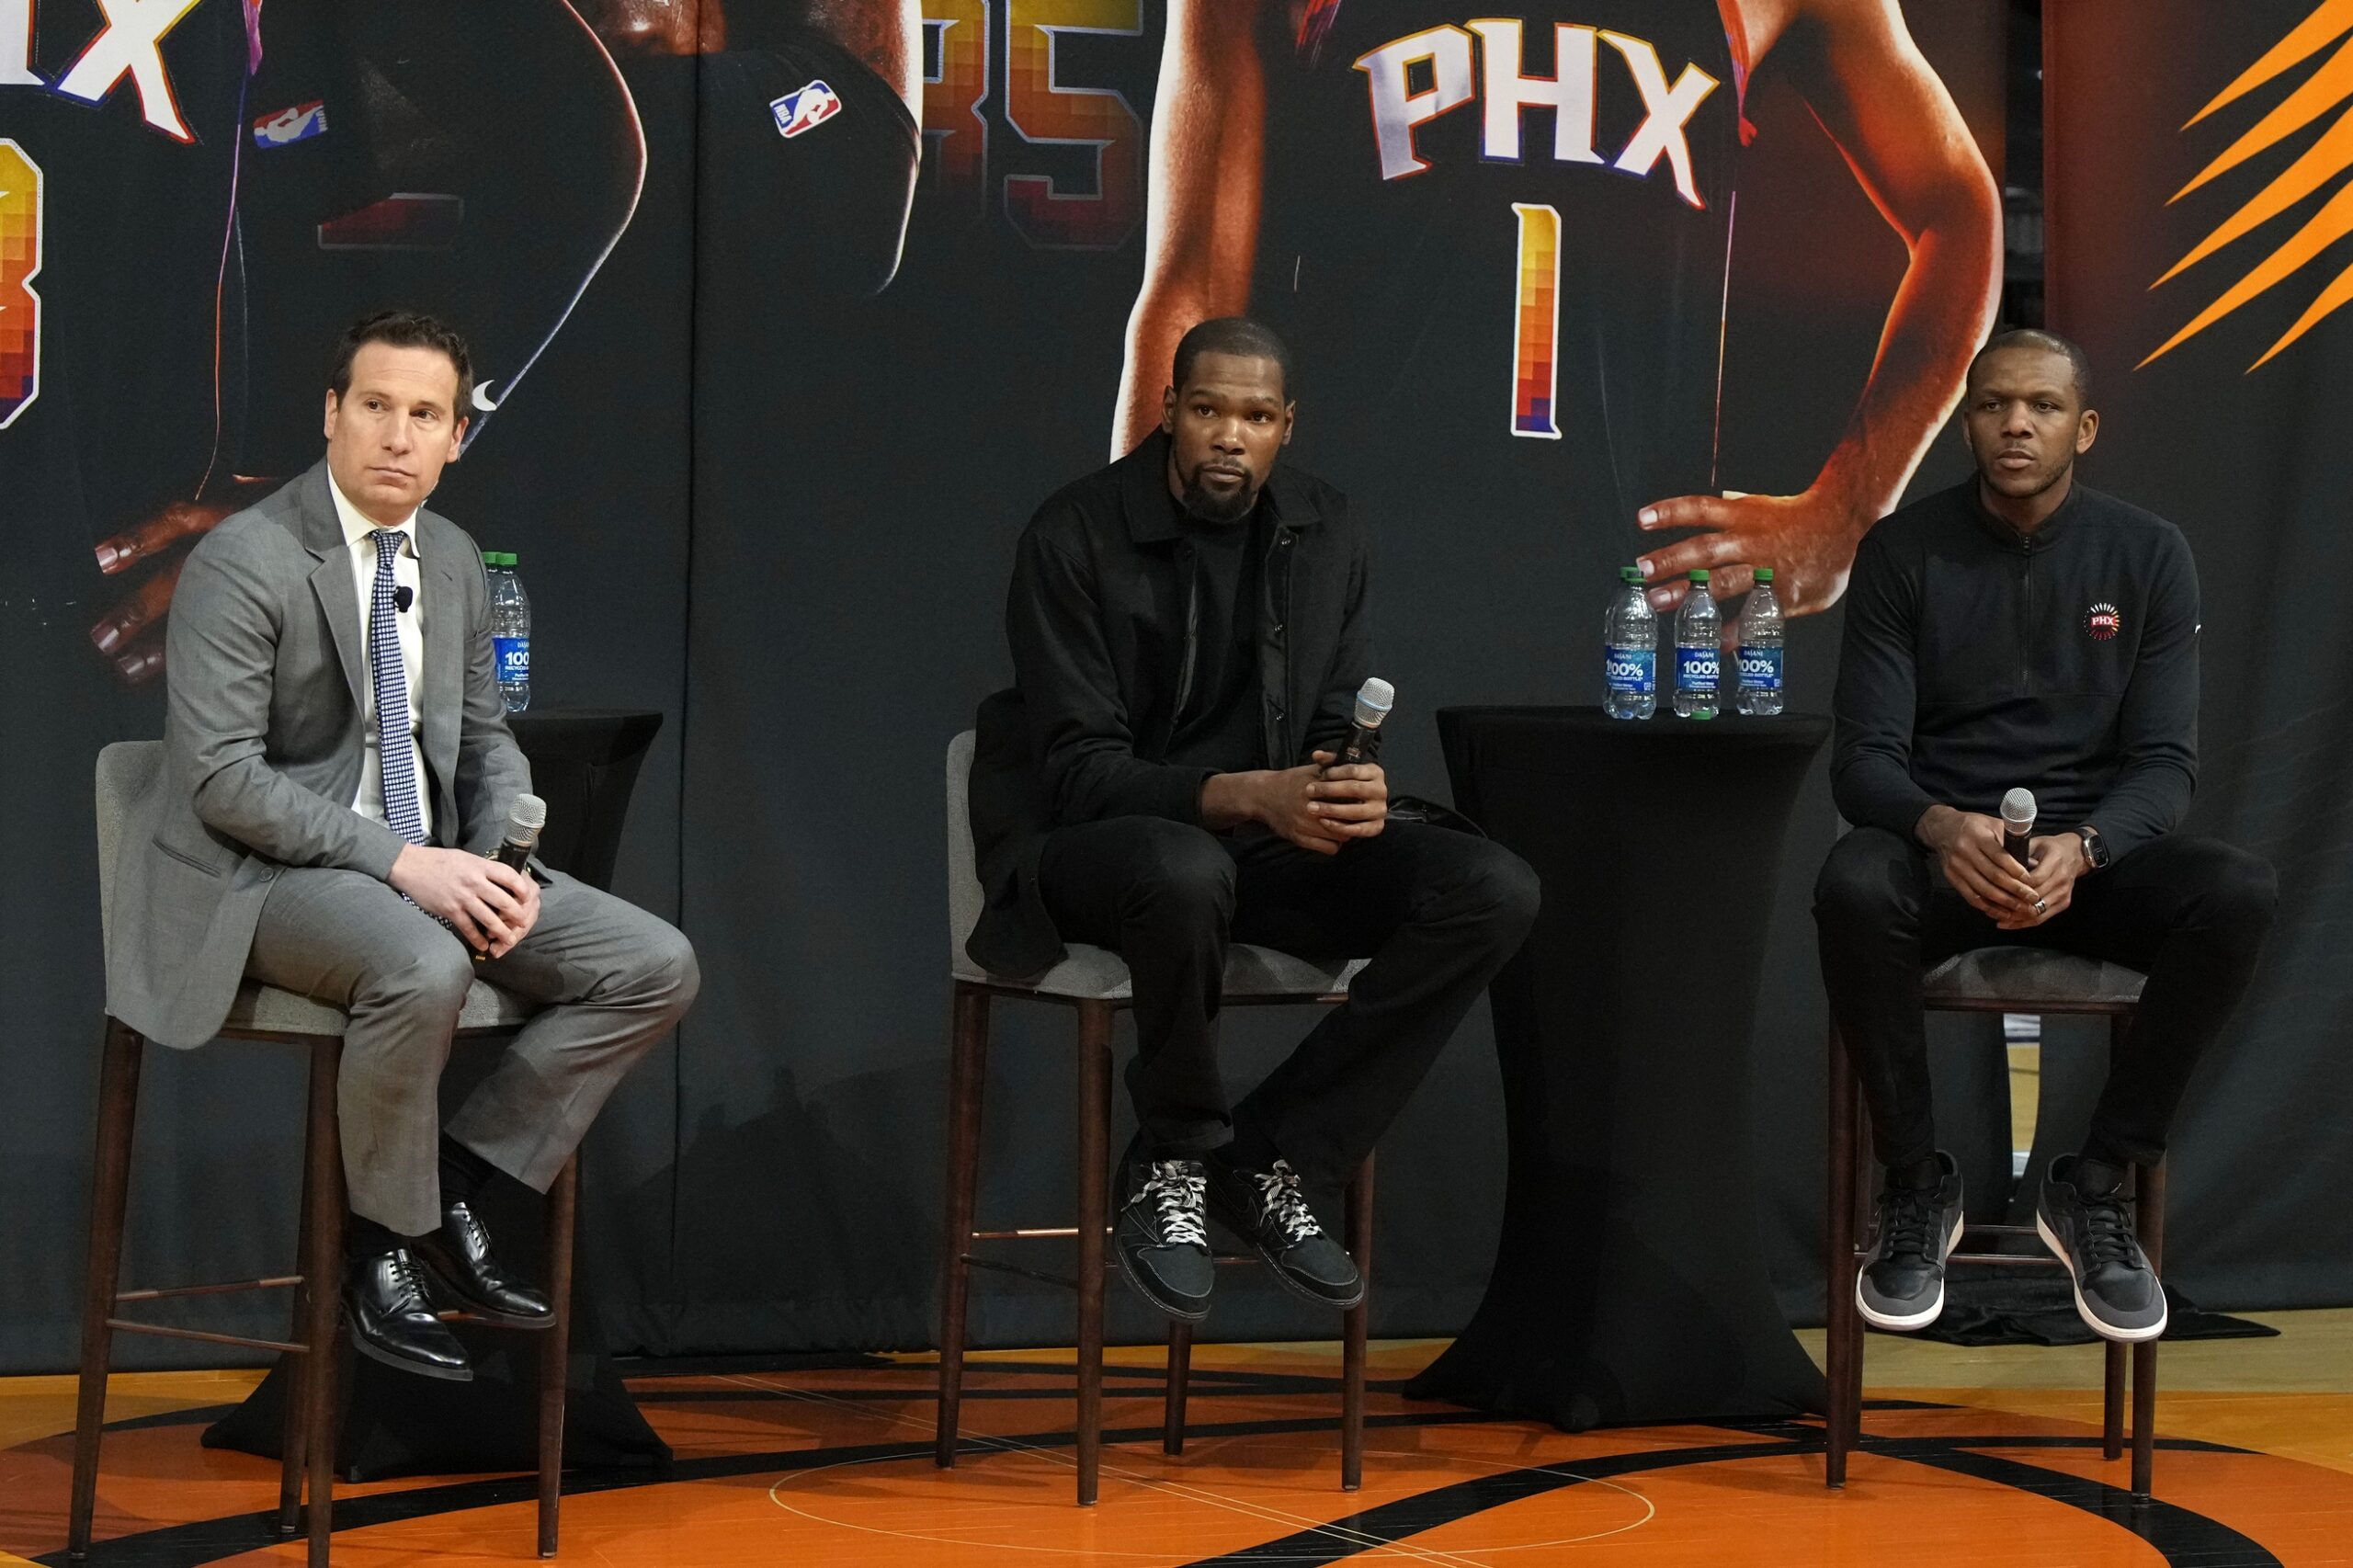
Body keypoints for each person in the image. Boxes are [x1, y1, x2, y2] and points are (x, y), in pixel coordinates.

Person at [108, 311, 699, 1381]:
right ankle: (377, 1249)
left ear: (455, 438)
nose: (397, 434)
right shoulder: (248, 558)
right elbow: (223, 780)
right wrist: (403, 863)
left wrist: (503, 863)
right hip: (264, 875)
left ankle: (448, 1202)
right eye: (375, 405)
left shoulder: (458, 559)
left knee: (650, 962)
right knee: (419, 961)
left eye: (425, 415)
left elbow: (484, 739)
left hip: (421, 859)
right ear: (331, 414)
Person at [969, 317, 1541, 1322]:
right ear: (1169, 413)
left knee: (1489, 886)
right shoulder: (1076, 532)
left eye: (1254, 416)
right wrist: (1248, 793)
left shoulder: (1327, 530)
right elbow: (1077, 771)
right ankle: (1176, 1153)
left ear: (1286, 426)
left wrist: (1342, 783)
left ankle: (1277, 1151)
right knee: (1184, 865)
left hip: (1255, 853)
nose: (1228, 436)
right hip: (1090, 854)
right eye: (1207, 411)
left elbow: (1330, 723)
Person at [1112, 0, 2001, 623]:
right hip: (1347, 585)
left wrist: (1846, 515)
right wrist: (1147, 565)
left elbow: (1960, 210)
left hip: (1629, 600)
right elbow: (1194, 292)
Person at [1813, 327, 2276, 1342]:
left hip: (2089, 869)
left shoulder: (2149, 553)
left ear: (2085, 426)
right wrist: (1942, 827)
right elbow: (1865, 763)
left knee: (2235, 890)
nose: (2015, 423)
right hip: (1948, 861)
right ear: (1967, 420)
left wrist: (2089, 847)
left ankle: (2097, 1184)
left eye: (2042, 406)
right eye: (1992, 405)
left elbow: (2166, 765)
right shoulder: (1902, 551)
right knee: (1853, 878)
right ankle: (1913, 1182)